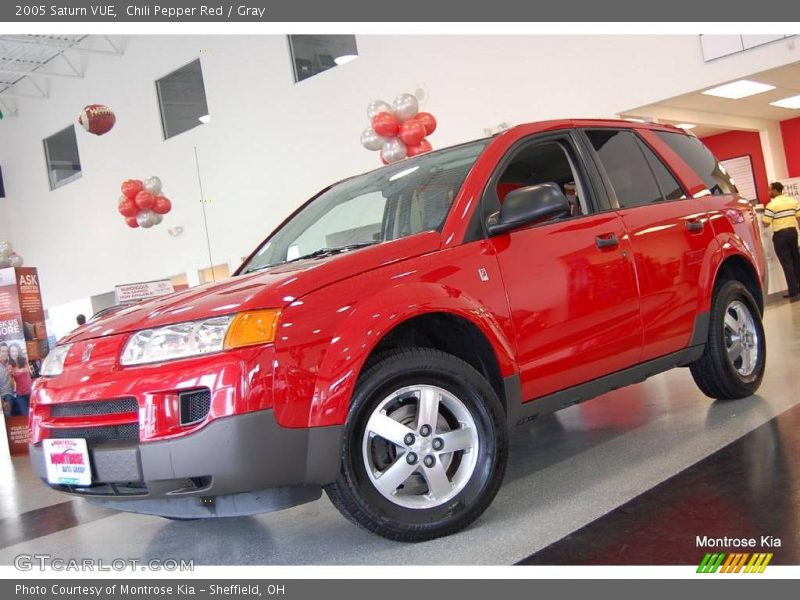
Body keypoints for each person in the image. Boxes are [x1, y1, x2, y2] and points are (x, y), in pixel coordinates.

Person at [763, 182, 800, 300]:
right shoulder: (793, 202)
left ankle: (794, 292)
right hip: (793, 233)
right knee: (796, 260)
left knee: (787, 263)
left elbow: (766, 223)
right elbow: (798, 217)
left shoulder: (771, 205)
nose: (769, 192)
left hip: (780, 235)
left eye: (770, 190)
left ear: (775, 190)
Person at [8, 343, 31, 416]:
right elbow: (11, 385)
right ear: (9, 353)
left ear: (18, 351)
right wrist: (9, 375)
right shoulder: (9, 366)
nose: (14, 353)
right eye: (12, 351)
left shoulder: (24, 361)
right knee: (26, 415)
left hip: (30, 393)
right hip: (21, 396)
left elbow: (29, 375)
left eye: (15, 351)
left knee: (34, 414)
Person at [0, 343, 16, 417]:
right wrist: (3, 402)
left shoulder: (10, 364)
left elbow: (12, 386)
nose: (5, 353)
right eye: (2, 351)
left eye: (6, 351)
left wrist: (10, 375)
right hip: (4, 397)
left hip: (13, 394)